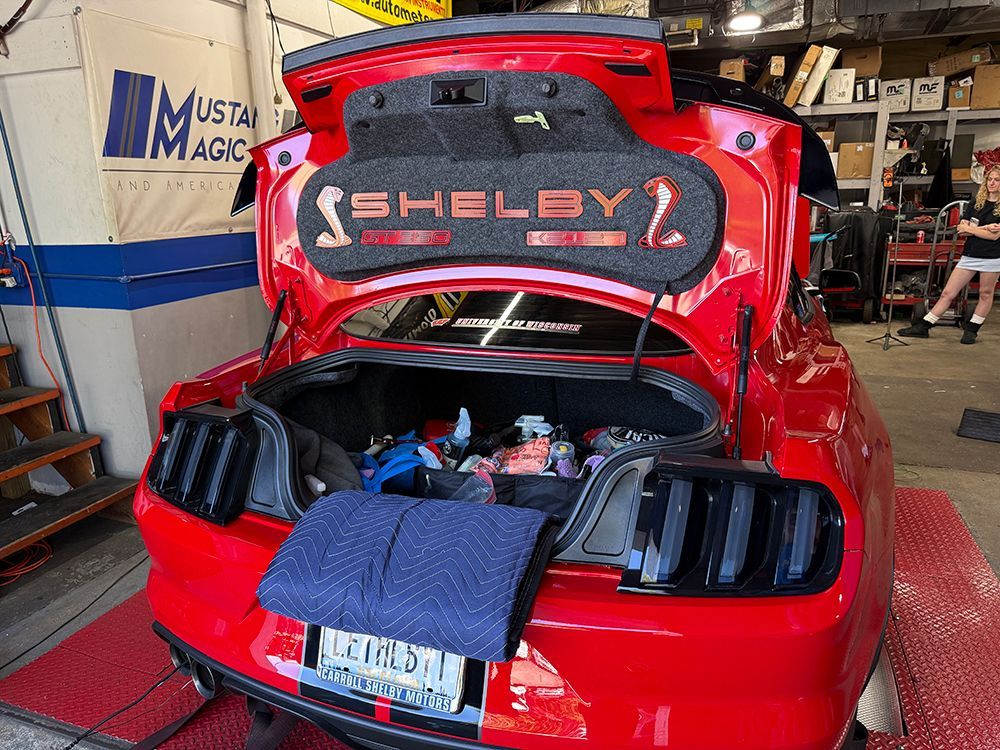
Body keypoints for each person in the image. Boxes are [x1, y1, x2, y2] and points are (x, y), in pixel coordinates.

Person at [898, 164, 1000, 344]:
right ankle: (924, 326)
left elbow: (995, 237)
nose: (992, 183)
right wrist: (984, 228)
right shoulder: (975, 204)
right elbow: (961, 230)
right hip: (970, 255)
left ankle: (972, 329)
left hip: (992, 257)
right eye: (990, 179)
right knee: (948, 292)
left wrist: (973, 229)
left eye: (997, 180)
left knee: (985, 293)